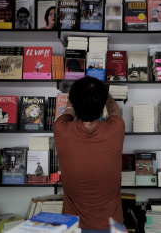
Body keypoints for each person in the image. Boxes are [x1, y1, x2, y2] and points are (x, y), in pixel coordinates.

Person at [53, 76, 125, 233]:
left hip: (73, 226)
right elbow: (113, 107)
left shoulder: (60, 129)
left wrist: (76, 96)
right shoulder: (116, 128)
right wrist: (101, 93)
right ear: (101, 104)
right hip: (113, 225)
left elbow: (69, 110)